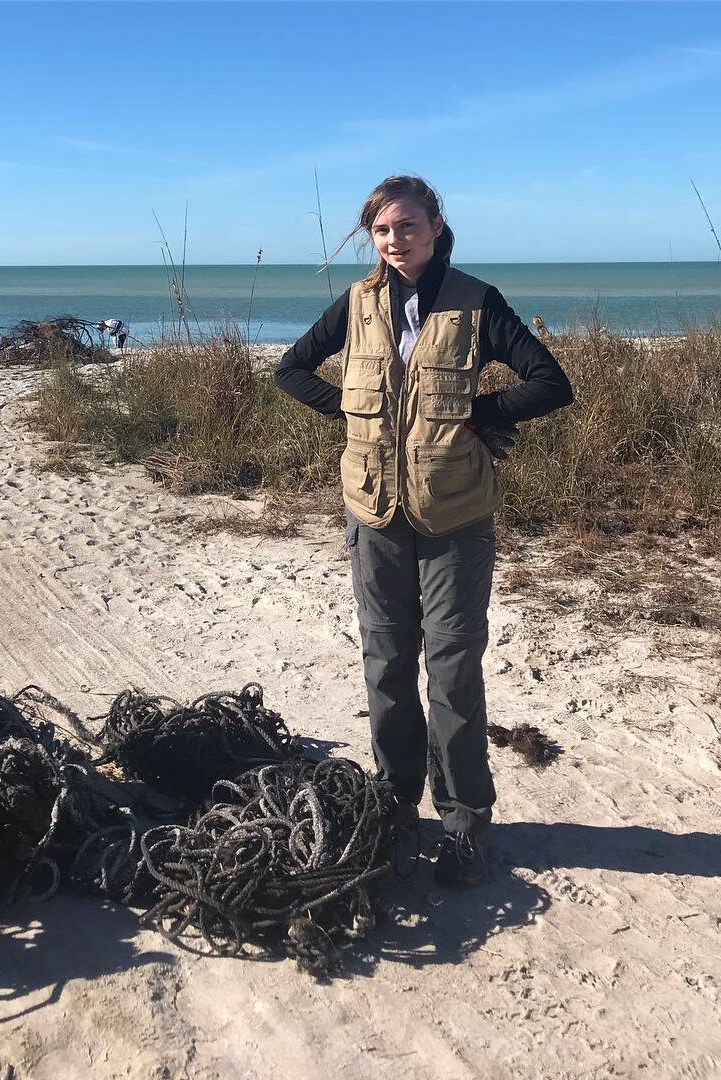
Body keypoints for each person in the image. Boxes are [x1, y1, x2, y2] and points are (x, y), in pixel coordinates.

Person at [274, 175, 573, 887]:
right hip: (373, 512)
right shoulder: (357, 303)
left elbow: (550, 381)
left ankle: (464, 822)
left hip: (455, 518)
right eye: (381, 230)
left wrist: (479, 415)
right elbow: (291, 370)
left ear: (437, 226)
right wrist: (352, 413)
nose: (394, 239)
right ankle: (394, 804)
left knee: (452, 669)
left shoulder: (477, 301)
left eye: (407, 225)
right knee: (385, 663)